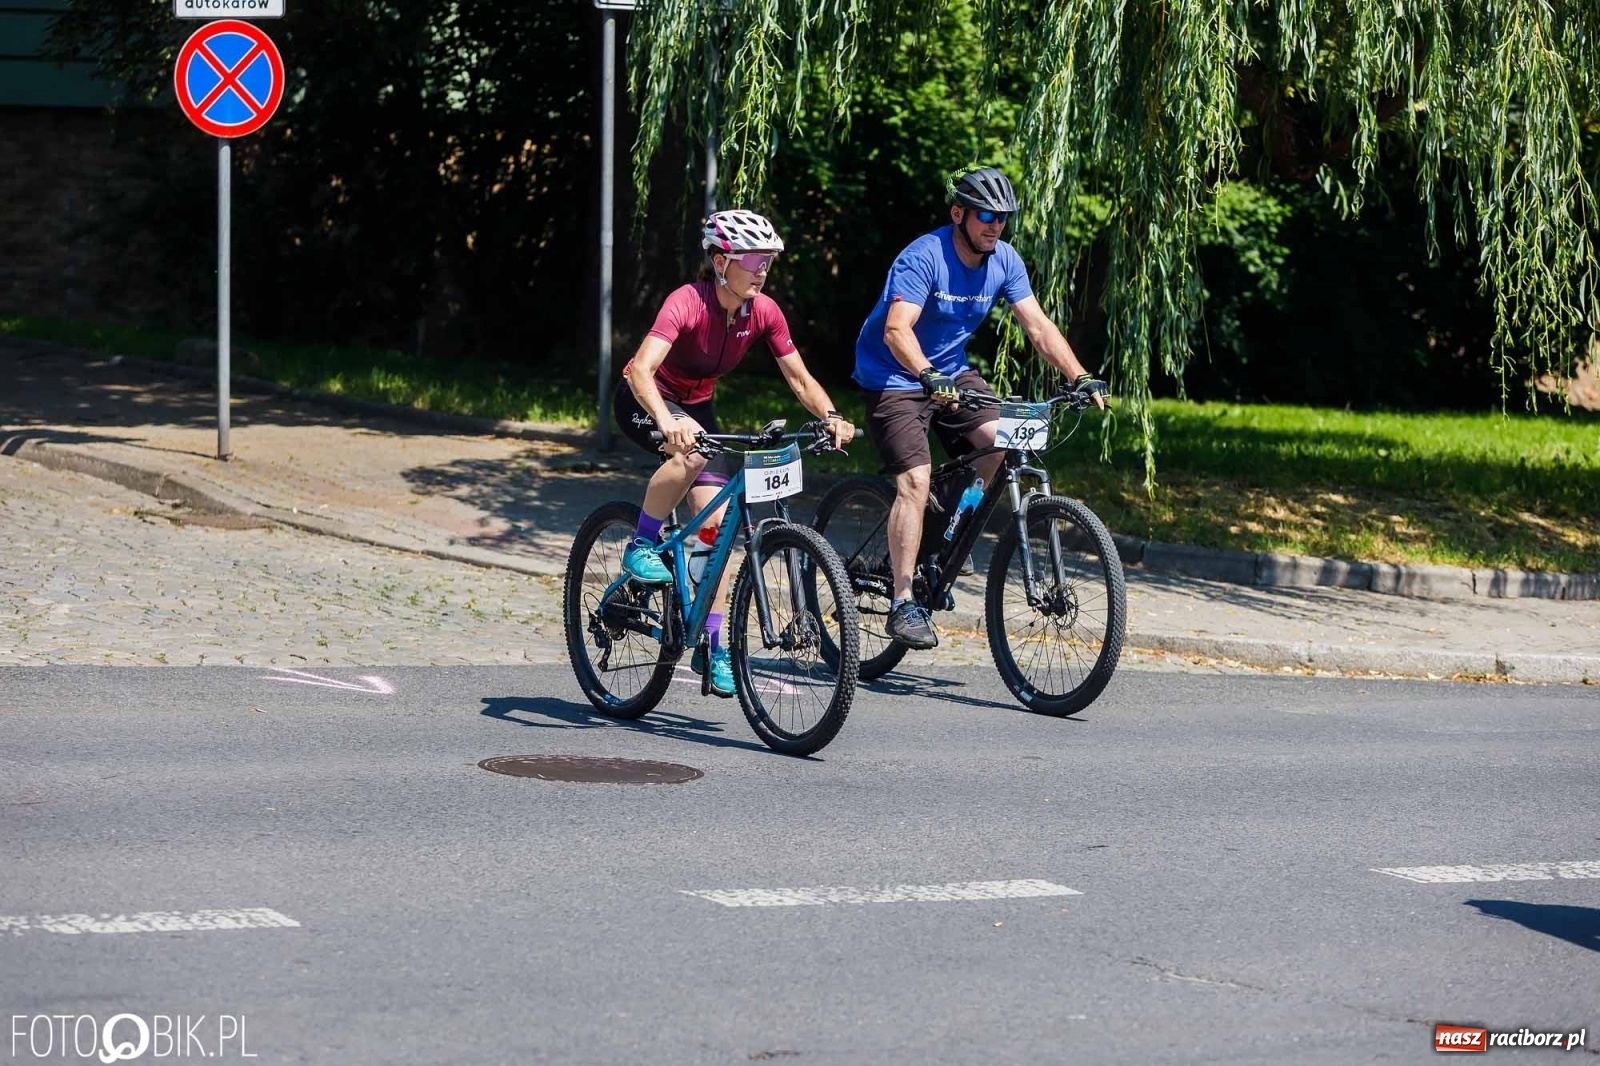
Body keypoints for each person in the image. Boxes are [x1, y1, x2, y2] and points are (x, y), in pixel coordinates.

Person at [852, 165, 1108, 651]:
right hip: (895, 375)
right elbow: (896, 330)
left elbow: (1038, 327)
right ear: (959, 214)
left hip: (951, 371)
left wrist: (1079, 375)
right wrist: (928, 376)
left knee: (1000, 444)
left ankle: (949, 531)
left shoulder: (1005, 260)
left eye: (1003, 217)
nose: (995, 225)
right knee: (915, 480)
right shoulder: (923, 256)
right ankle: (903, 601)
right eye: (986, 214)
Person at [613, 209, 855, 697]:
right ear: (722, 261)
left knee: (714, 530)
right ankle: (640, 544)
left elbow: (799, 378)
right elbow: (641, 370)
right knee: (689, 456)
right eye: (753, 259)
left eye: (767, 260)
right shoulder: (687, 301)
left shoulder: (762, 310)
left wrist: (830, 416)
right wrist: (666, 421)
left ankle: (713, 643)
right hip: (647, 400)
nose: (762, 269)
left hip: (698, 409)